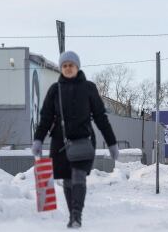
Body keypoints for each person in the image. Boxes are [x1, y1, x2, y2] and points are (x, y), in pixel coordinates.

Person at [32, 51, 120, 229]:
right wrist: (38, 140)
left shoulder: (89, 88)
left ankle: (76, 215)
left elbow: (101, 117)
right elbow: (46, 117)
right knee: (67, 179)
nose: (67, 68)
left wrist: (111, 142)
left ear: (77, 67)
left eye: (71, 65)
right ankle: (73, 216)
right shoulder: (54, 90)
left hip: (83, 140)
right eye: (64, 66)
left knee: (79, 176)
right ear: (61, 68)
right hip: (60, 143)